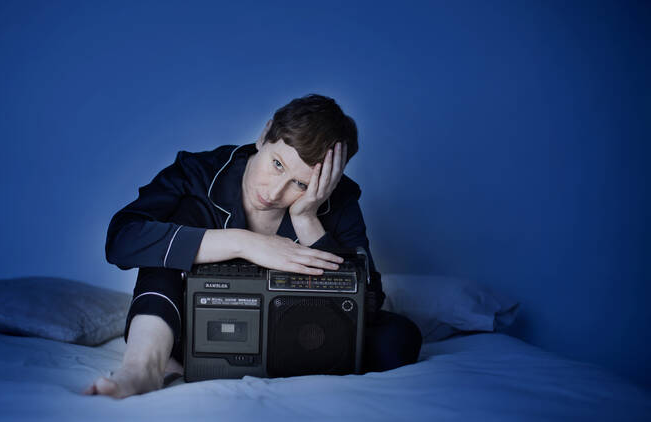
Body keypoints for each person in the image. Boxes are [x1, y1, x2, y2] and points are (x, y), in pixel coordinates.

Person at [83, 94, 422, 399]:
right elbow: (122, 238)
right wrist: (242, 243)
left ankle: (254, 363)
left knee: (399, 340)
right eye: (277, 165)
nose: (274, 193)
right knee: (170, 234)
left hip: (294, 336)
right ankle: (144, 367)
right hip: (189, 326)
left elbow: (369, 302)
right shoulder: (195, 174)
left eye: (300, 184)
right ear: (265, 135)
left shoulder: (339, 200)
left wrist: (307, 218)